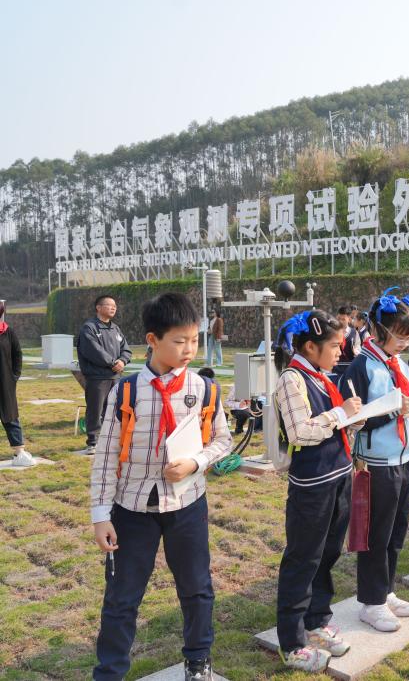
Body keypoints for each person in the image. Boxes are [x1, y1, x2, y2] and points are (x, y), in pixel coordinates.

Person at [90, 292, 232, 681]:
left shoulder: (204, 389)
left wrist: (196, 462)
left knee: (196, 588)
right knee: (122, 597)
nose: (189, 350)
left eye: (194, 340)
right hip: (132, 510)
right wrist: (101, 515)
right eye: (179, 341)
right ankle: (110, 671)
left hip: (187, 505)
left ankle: (198, 660)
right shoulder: (127, 392)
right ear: (152, 340)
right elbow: (105, 456)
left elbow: (223, 440)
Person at [273, 310, 364, 672]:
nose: (341, 352)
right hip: (312, 486)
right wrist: (340, 414)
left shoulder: (322, 376)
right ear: (310, 347)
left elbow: (333, 424)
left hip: (338, 476)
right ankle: (292, 642)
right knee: (303, 559)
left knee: (327, 554)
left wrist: (352, 419)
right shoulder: (292, 379)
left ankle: (316, 621)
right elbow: (300, 431)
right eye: (335, 346)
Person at [339, 290, 409, 633]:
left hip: (405, 455)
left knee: (397, 530)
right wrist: (393, 411)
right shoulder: (362, 366)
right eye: (399, 335)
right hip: (376, 461)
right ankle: (371, 603)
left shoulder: (400, 364)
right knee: (376, 533)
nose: (404, 343)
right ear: (377, 329)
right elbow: (353, 420)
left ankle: (386, 591)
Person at [77, 295, 132, 455]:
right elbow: (93, 351)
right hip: (97, 378)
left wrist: (122, 360)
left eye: (114, 305)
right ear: (98, 307)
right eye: (109, 305)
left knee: (115, 410)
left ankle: (112, 440)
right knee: (95, 409)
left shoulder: (115, 328)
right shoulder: (89, 328)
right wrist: (112, 363)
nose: (113, 308)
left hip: (115, 377)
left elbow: (126, 349)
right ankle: (93, 442)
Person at [0, 301, 31, 466]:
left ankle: (20, 452)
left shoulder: (7, 331)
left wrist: (14, 376)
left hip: (5, 382)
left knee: (10, 416)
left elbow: (17, 354)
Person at [332, 304, 361, 376]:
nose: (340, 321)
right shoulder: (332, 332)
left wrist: (356, 351)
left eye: (343, 319)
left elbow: (358, 348)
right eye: (339, 318)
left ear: (349, 319)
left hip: (350, 369)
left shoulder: (354, 333)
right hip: (335, 368)